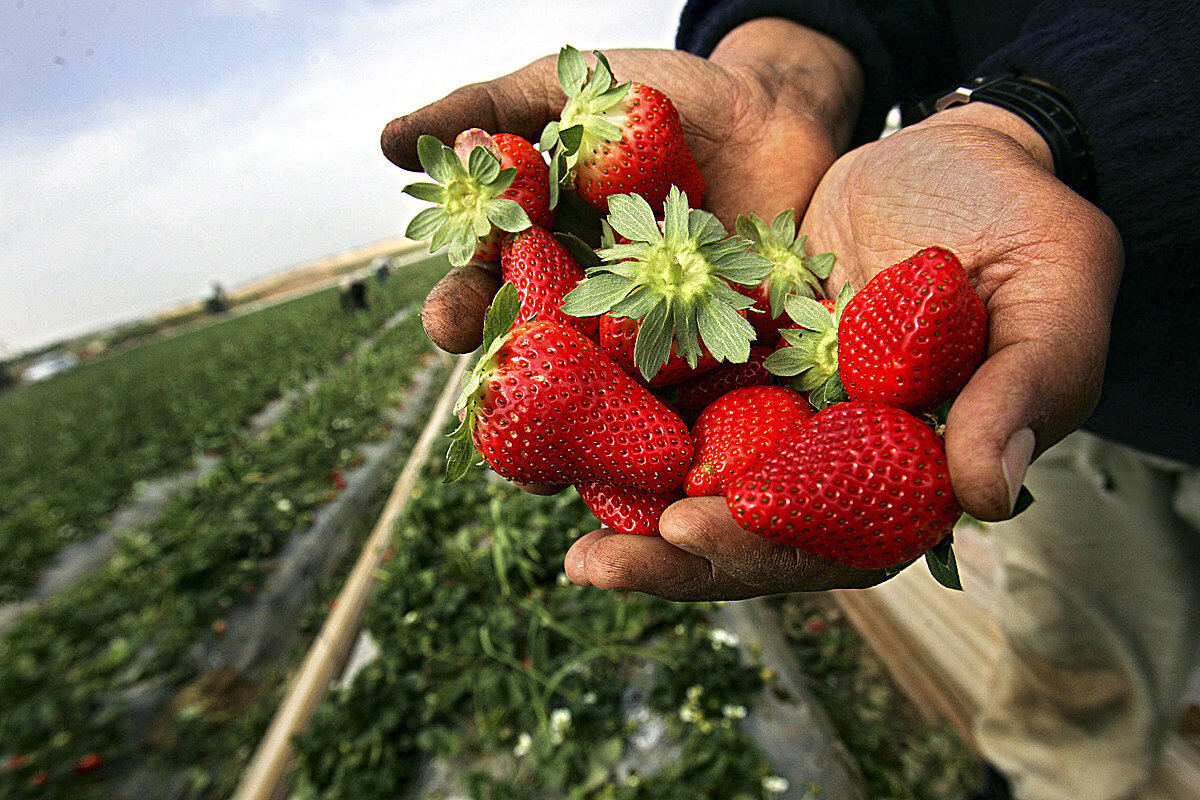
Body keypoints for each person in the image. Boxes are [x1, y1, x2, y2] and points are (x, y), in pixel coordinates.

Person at [380, 2, 1200, 798]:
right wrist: (781, 76)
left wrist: (1037, 118)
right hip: (1081, 409)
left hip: (1063, 291)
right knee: (1077, 658)